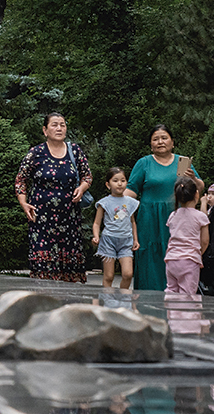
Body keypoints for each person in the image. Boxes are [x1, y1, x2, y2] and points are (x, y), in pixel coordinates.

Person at [125, 124, 204, 291]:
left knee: (176, 254)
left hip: (177, 218)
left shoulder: (182, 162)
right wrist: (116, 205)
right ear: (150, 144)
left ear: (172, 142)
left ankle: (175, 299)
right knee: (148, 256)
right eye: (155, 139)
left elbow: (199, 188)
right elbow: (131, 191)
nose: (160, 142)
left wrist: (193, 179)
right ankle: (147, 300)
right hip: (149, 218)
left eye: (164, 138)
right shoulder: (144, 163)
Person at [15, 112, 92, 282]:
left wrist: (82, 188)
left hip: (69, 219)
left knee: (69, 267)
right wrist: (23, 203)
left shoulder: (74, 151)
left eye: (62, 125)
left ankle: (68, 297)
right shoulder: (36, 153)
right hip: (41, 219)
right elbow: (21, 179)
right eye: (54, 125)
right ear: (45, 130)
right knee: (43, 266)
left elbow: (87, 176)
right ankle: (43, 297)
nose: (59, 128)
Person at [92, 167, 140, 289]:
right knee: (109, 276)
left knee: (128, 274)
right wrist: (96, 236)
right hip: (108, 241)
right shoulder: (104, 203)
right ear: (108, 185)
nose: (119, 183)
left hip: (126, 241)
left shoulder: (130, 202)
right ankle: (108, 299)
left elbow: (132, 222)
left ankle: (123, 298)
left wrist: (135, 240)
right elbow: (97, 223)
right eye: (115, 180)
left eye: (123, 180)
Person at [164, 176, 209, 297]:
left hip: (171, 259)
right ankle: (185, 311)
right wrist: (198, 254)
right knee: (187, 295)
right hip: (189, 260)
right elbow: (205, 241)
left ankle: (170, 309)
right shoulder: (201, 217)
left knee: (171, 290)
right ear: (196, 194)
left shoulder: (173, 215)